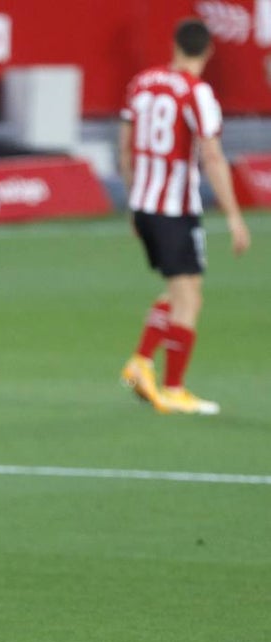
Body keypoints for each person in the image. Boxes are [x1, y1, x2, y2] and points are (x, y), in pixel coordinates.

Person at [118, 17, 251, 415]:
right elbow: (211, 155)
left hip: (145, 204)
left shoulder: (141, 84)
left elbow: (124, 150)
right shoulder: (198, 92)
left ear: (175, 45)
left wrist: (133, 202)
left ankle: (141, 362)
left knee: (183, 291)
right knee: (189, 300)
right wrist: (234, 216)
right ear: (208, 50)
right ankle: (173, 388)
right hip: (175, 210)